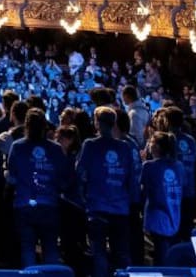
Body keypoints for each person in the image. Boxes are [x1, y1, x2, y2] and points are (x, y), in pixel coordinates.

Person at [77, 107, 139, 277]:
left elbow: (80, 173)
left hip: (97, 207)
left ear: (97, 122)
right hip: (120, 207)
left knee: (99, 253)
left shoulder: (90, 145)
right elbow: (131, 178)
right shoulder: (124, 147)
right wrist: (133, 203)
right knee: (122, 253)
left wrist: (82, 198)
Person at [8, 108, 72, 267]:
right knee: (50, 249)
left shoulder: (17, 147)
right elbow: (64, 177)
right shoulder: (56, 149)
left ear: (26, 126)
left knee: (28, 249)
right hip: (49, 204)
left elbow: (12, 176)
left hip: (24, 204)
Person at [141, 132, 184, 265]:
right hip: (174, 215)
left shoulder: (149, 166)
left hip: (157, 218)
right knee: (169, 254)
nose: (149, 145)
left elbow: (143, 190)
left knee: (159, 257)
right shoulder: (179, 166)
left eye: (151, 142)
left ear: (157, 147)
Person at [164, 107, 196, 243]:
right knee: (187, 229)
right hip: (190, 189)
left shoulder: (168, 140)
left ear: (167, 121)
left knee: (174, 231)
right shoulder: (190, 140)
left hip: (173, 192)